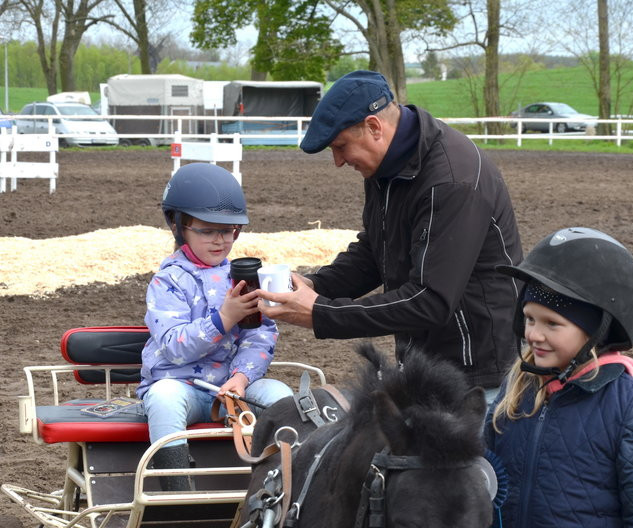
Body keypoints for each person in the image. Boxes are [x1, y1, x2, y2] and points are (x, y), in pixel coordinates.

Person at [258, 70, 523, 396]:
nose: (338, 162)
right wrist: (314, 285)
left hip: (477, 375)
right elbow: (375, 251)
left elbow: (430, 299)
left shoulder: (452, 180)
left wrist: (321, 313)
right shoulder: (388, 167)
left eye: (340, 146)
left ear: (374, 127)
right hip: (424, 363)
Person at [485, 227, 633, 528]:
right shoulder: (516, 388)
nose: (533, 334)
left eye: (552, 324)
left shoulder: (630, 407)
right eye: (530, 318)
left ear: (595, 331)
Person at [138, 163, 292, 490]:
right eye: (207, 230)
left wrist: (241, 377)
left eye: (229, 230)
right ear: (178, 225)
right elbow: (173, 345)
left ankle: (280, 489)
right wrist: (224, 318)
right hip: (181, 385)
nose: (220, 240)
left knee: (281, 396)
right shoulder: (168, 281)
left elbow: (260, 334)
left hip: (231, 388)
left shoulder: (242, 277)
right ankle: (176, 488)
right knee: (163, 397)